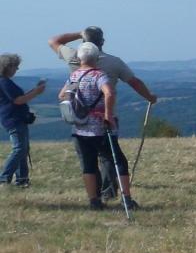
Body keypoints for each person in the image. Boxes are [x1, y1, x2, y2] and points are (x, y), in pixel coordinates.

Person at [49, 26, 158, 199]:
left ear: (83, 43)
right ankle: (109, 192)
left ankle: (94, 198)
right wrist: (149, 97)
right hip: (106, 116)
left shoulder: (73, 57)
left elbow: (53, 41)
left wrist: (80, 33)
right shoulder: (114, 62)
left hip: (80, 117)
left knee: (88, 161)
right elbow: (134, 82)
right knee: (109, 157)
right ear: (102, 42)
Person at [60, 43, 135, 210]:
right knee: (118, 161)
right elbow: (109, 92)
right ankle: (126, 199)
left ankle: (94, 201)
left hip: (80, 129)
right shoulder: (99, 75)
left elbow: (62, 95)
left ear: (80, 58)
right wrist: (108, 114)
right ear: (96, 58)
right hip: (101, 128)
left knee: (89, 165)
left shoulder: (74, 76)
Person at [0, 54, 45, 188]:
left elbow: (19, 97)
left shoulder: (5, 81)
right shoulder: (4, 82)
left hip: (15, 118)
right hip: (14, 119)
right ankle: (4, 179)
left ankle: (22, 180)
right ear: (8, 67)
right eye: (15, 66)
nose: (17, 69)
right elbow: (18, 100)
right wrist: (36, 92)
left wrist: (35, 90)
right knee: (19, 149)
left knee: (23, 149)